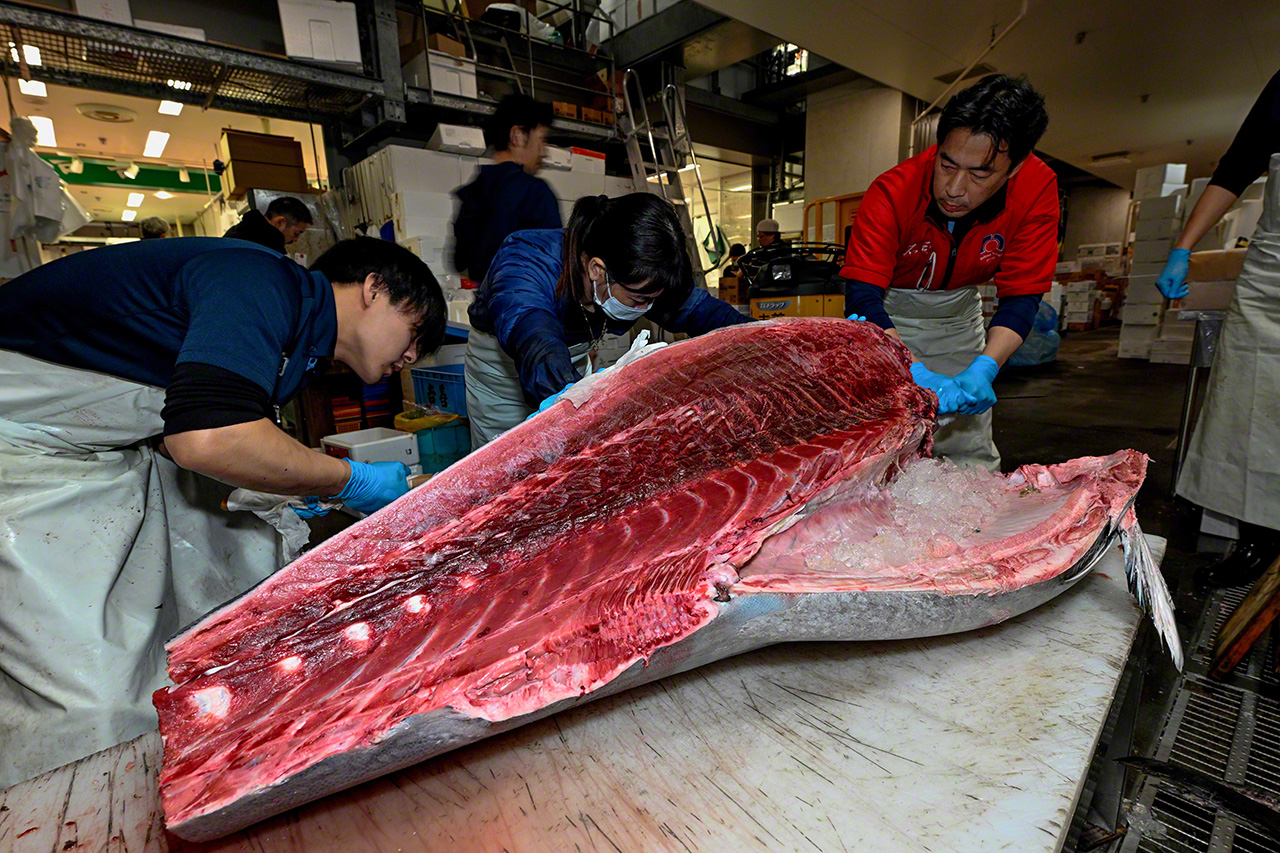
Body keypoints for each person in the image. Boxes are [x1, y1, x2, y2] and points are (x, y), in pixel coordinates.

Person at [0, 236, 444, 787]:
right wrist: (347, 479)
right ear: (374, 289)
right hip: (17, 455)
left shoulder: (298, 341)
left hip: (90, 446)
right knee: (97, 694)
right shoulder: (259, 282)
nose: (412, 356)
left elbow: (174, 425)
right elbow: (205, 439)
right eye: (415, 332)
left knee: (247, 559)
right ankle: (80, 811)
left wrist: (278, 485)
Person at [840, 74, 1057, 471]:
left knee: (968, 454)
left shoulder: (1037, 190)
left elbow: (1022, 295)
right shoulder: (893, 191)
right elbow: (863, 296)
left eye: (980, 175)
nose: (954, 189)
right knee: (882, 455)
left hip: (959, 323)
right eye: (947, 164)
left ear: (1015, 168)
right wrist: (909, 367)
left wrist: (986, 365)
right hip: (889, 324)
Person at [464, 192, 752, 447]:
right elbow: (535, 337)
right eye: (639, 299)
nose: (647, 308)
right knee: (505, 468)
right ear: (597, 270)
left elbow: (698, 310)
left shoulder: (633, 272)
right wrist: (577, 408)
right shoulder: (527, 260)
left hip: (568, 363)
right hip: (503, 373)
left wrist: (758, 339)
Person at [1157, 68, 1280, 587]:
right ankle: (1257, 541)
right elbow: (1236, 169)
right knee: (1250, 409)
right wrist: (1183, 247)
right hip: (1273, 268)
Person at [453, 94, 562, 284]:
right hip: (528, 309)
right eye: (542, 140)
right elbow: (554, 268)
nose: (544, 152)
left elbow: (460, 263)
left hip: (484, 310)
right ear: (517, 136)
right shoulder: (535, 193)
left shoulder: (471, 194)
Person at [223, 195, 314, 253]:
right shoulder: (264, 248)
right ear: (280, 222)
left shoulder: (240, 232)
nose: (296, 239)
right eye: (296, 233)